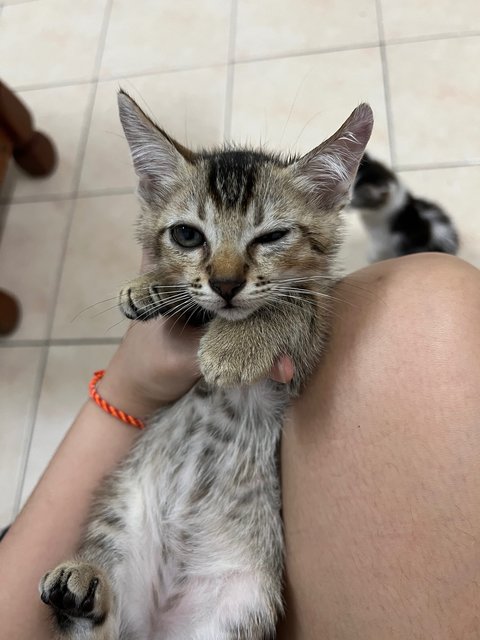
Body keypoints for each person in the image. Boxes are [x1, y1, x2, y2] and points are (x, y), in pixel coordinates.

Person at [1, 252, 479, 639]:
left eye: (266, 238)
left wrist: (127, 388)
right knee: (425, 300)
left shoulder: (291, 298)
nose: (226, 274)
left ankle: (90, 622)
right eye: (192, 236)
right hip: (212, 526)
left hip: (213, 560)